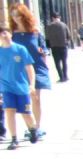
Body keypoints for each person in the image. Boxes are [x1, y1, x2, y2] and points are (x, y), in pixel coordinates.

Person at [8, 5, 48, 138]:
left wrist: (44, 55)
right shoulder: (13, 34)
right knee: (25, 100)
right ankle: (31, 128)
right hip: (19, 69)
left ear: (24, 15)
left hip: (36, 68)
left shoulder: (35, 32)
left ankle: (37, 126)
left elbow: (43, 49)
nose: (16, 18)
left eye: (18, 15)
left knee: (35, 97)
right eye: (13, 15)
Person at [0, 25, 39, 149]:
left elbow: (29, 68)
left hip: (21, 87)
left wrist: (32, 85)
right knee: (9, 111)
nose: (3, 35)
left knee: (26, 113)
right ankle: (14, 139)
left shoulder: (20, 49)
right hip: (6, 87)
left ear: (11, 34)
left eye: (5, 32)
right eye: (1, 33)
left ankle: (33, 129)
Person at [44, 12, 70, 82]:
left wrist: (48, 46)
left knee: (57, 63)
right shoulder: (64, 25)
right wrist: (66, 42)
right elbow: (68, 35)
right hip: (63, 46)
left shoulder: (49, 26)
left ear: (52, 18)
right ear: (59, 17)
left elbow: (47, 37)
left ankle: (61, 77)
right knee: (64, 62)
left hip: (54, 46)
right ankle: (65, 76)